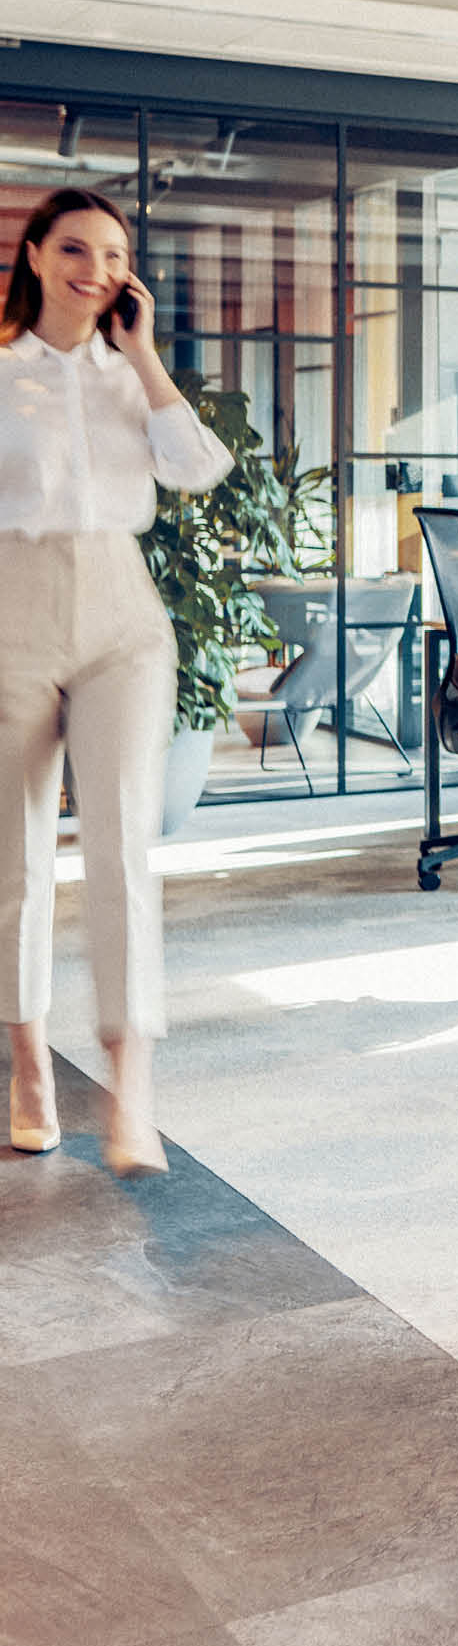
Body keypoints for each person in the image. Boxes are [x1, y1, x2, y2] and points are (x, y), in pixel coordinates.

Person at [3, 186, 231, 1176]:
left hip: (123, 619)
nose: (93, 269)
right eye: (74, 249)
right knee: (12, 862)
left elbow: (197, 471)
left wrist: (143, 356)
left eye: (111, 254)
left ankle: (132, 1091)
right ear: (34, 255)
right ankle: (27, 1070)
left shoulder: (131, 378)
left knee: (124, 851)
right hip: (12, 609)